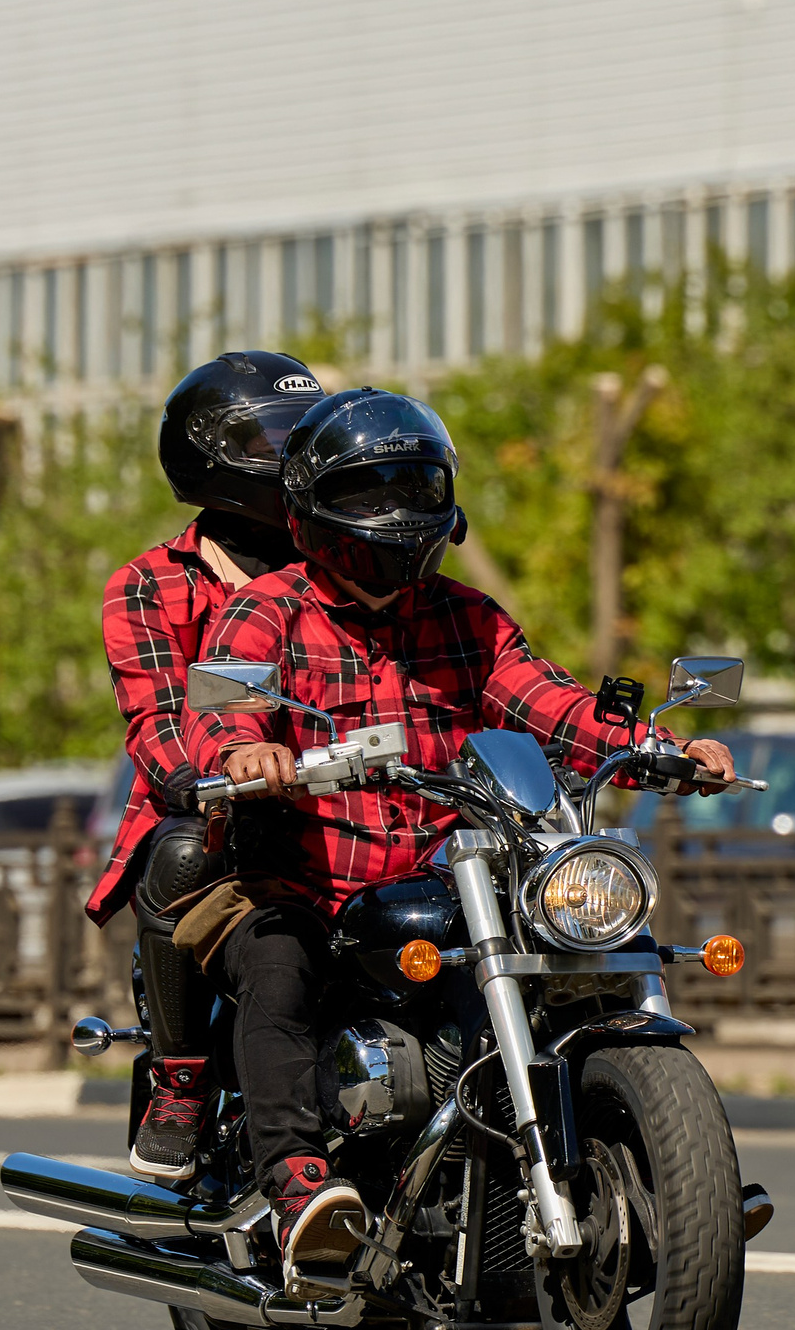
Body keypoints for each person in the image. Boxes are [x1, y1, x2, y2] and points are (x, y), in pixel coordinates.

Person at [187, 388, 734, 1280]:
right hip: (304, 873)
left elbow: (548, 699)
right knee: (278, 970)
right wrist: (250, 752)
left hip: (449, 872)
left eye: (412, 485)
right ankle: (296, 1189)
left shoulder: (467, 618)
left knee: (560, 953)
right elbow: (225, 709)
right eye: (370, 490)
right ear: (317, 507)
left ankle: (656, 1175)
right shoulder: (270, 611)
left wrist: (658, 747)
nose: (395, 512)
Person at [86, 351, 325, 1182]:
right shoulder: (151, 582)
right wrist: (211, 773)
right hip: (209, 800)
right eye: (276, 437)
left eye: (305, 434)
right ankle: (180, 1074)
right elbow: (153, 719)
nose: (298, 453)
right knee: (184, 848)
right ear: (210, 452)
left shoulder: (342, 567)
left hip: (347, 796)